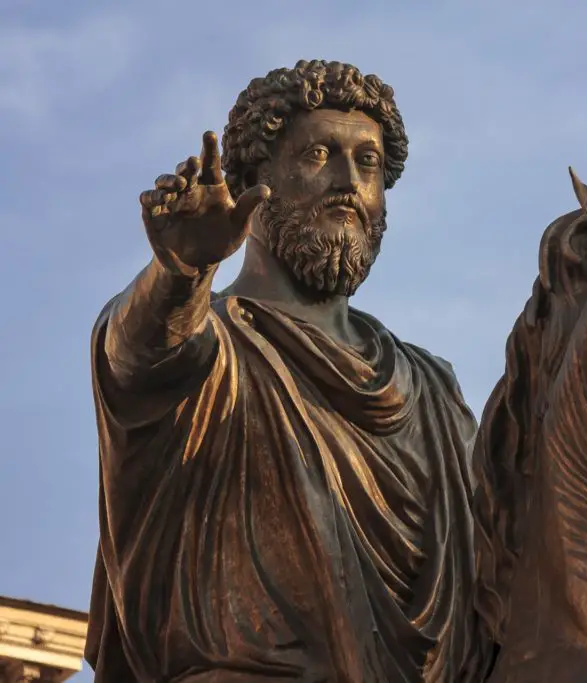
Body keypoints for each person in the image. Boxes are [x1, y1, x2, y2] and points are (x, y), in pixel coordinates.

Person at [85, 60, 485, 683]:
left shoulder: (432, 392)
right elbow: (133, 358)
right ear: (253, 181)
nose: (348, 181)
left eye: (368, 162)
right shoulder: (210, 346)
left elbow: (512, 563)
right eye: (320, 153)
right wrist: (179, 272)